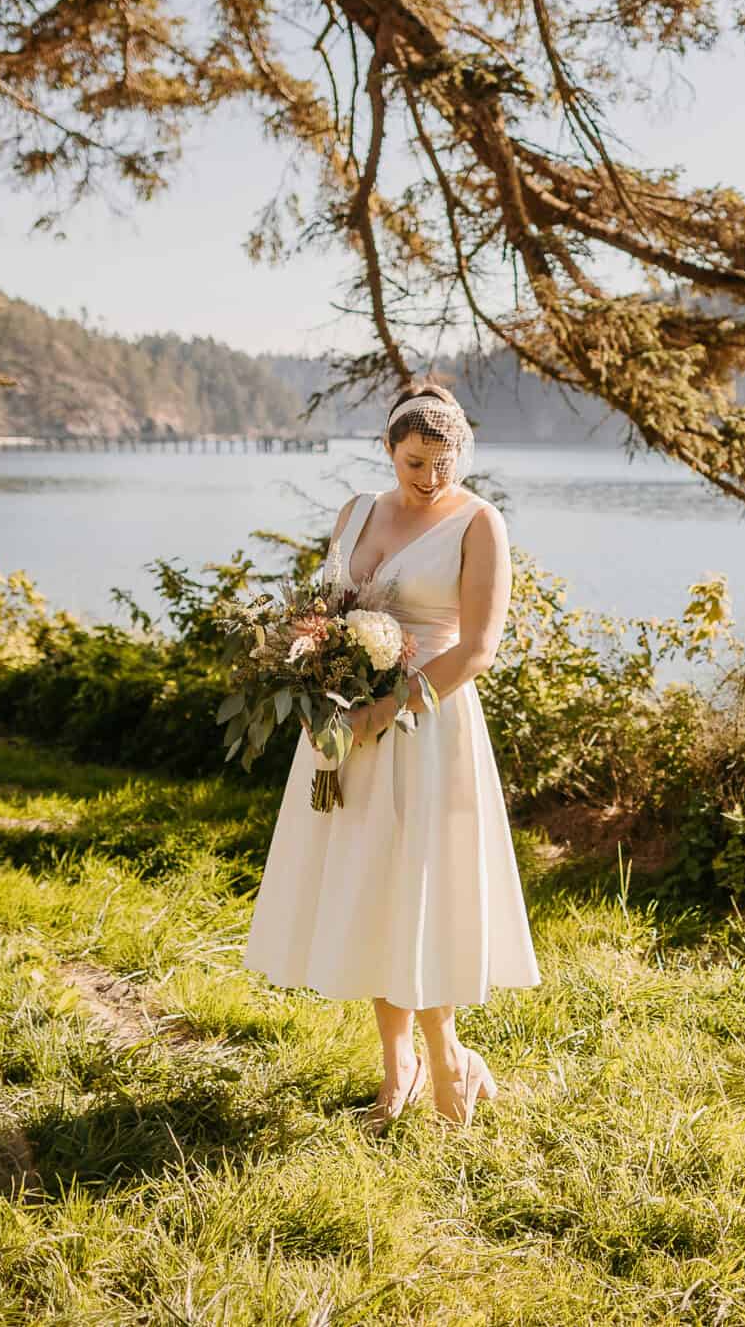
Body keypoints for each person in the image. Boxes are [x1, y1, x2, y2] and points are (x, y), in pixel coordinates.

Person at [241, 380, 541, 1127]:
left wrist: (386, 710)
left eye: (445, 463)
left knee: (420, 895)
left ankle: (450, 1067)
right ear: (387, 449)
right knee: (374, 891)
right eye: (415, 461)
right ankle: (397, 1067)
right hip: (345, 729)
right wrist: (311, 678)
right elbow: (323, 612)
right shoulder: (357, 512)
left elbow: (476, 649)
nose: (431, 477)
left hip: (427, 727)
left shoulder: (480, 524)